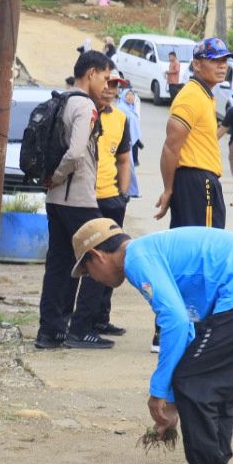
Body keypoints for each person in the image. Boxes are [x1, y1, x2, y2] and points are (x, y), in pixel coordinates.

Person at [72, 219, 233, 464]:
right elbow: (189, 330)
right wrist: (172, 399)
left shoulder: (136, 258)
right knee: (217, 385)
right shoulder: (150, 250)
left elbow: (174, 322)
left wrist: (159, 392)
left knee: (194, 381)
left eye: (87, 271)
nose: (92, 279)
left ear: (97, 256)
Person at [34, 50, 112, 350]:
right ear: (91, 73)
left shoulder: (62, 100)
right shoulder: (85, 106)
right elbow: (76, 152)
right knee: (103, 259)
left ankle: (50, 331)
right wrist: (57, 176)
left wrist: (52, 181)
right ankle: (81, 328)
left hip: (56, 200)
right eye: (105, 77)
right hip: (78, 199)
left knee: (59, 264)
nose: (106, 85)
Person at [156, 38, 229, 232]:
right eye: (215, 60)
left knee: (193, 240)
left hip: (197, 180)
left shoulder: (203, 94)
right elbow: (170, 147)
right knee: (205, 241)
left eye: (224, 61)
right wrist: (168, 189)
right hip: (197, 180)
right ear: (197, 64)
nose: (222, 66)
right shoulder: (191, 96)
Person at [81, 72, 132, 337]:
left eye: (116, 86)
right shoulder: (84, 112)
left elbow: (124, 159)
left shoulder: (121, 118)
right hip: (87, 200)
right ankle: (83, 322)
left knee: (114, 260)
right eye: (108, 83)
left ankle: (101, 317)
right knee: (93, 263)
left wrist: (123, 194)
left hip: (112, 200)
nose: (110, 89)